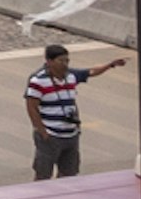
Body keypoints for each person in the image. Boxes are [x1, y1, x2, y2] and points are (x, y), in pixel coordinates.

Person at [25, 40, 121, 176]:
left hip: (71, 135)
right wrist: (43, 132)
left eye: (67, 61)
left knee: (69, 174)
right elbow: (31, 107)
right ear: (49, 61)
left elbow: (92, 72)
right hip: (50, 135)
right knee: (43, 174)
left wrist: (110, 65)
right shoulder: (38, 81)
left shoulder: (71, 76)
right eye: (61, 61)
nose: (65, 64)